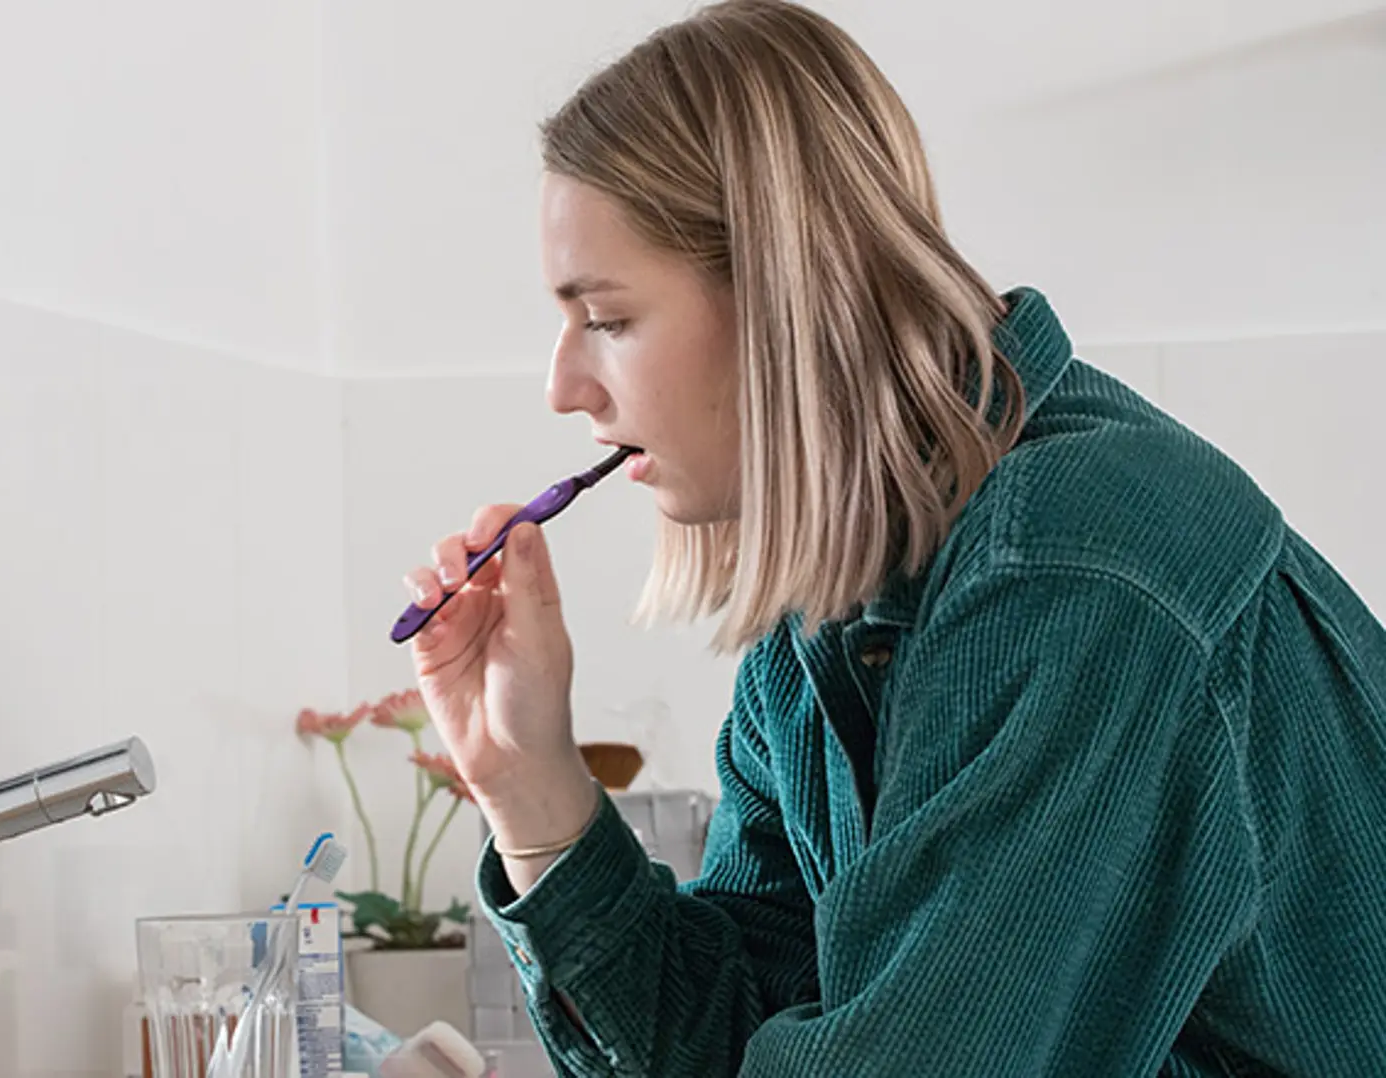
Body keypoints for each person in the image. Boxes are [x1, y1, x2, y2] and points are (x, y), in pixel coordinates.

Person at [398, 2, 1386, 1074]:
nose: (563, 386)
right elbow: (732, 1036)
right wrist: (529, 785)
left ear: (782, 297)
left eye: (611, 317)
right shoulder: (822, 621)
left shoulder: (1074, 569)